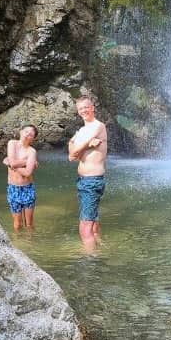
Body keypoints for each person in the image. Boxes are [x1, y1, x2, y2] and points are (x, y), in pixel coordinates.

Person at [68, 97, 107, 252]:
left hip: (92, 181)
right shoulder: (83, 130)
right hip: (85, 181)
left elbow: (74, 151)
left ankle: (90, 263)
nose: (84, 110)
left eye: (86, 107)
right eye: (80, 109)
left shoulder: (98, 126)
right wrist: (86, 145)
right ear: (78, 112)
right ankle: (99, 249)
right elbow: (70, 155)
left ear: (92, 107)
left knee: (85, 227)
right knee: (93, 221)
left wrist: (79, 146)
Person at [3, 124, 38, 231]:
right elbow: (14, 162)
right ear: (21, 131)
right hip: (13, 188)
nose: (28, 134)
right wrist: (28, 162)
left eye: (31, 134)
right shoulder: (12, 143)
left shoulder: (32, 151)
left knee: (29, 224)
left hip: (27, 188)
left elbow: (27, 173)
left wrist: (10, 164)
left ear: (33, 138)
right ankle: (18, 244)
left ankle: (30, 244)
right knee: (17, 223)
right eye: (26, 131)